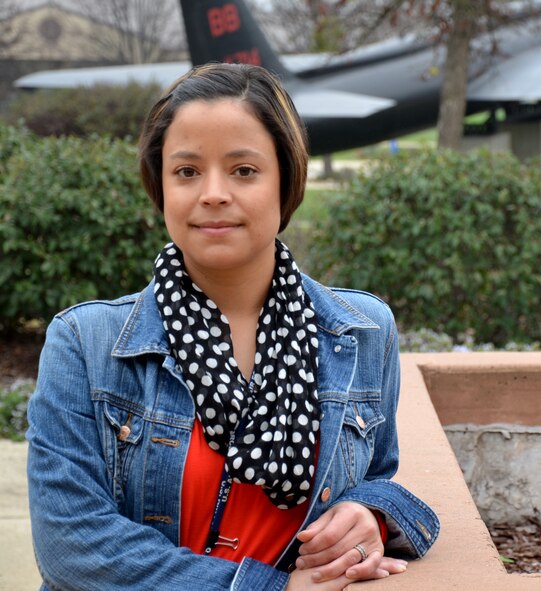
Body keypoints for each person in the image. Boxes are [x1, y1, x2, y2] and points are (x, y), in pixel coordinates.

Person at [26, 63, 439, 591]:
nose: (213, 193)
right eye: (187, 171)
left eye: (243, 170)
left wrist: (371, 513)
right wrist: (266, 588)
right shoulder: (86, 344)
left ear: (286, 179)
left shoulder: (361, 332)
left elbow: (377, 475)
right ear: (161, 186)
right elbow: (72, 545)